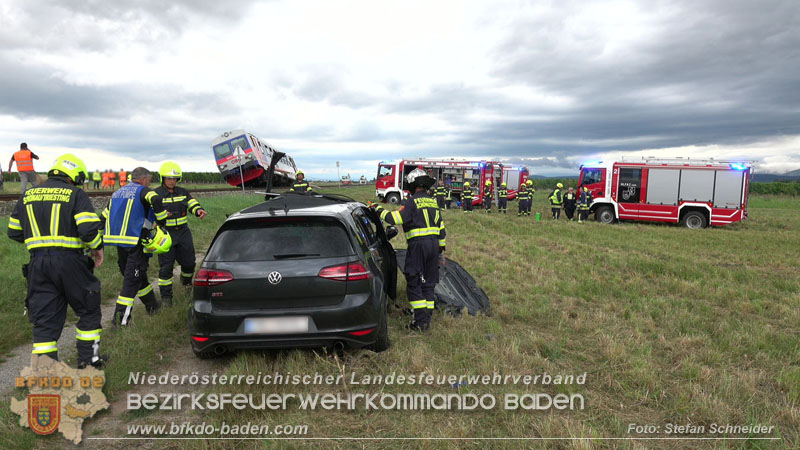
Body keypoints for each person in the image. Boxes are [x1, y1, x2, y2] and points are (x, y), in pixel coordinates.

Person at [7, 154, 107, 368]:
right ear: (73, 176)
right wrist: (98, 248)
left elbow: (13, 232)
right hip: (71, 262)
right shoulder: (75, 194)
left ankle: (45, 369)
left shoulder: (27, 195)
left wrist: (40, 239)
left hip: (38, 265)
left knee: (45, 319)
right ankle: (89, 362)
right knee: (88, 309)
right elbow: (88, 230)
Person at [372, 168, 445, 331]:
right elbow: (442, 229)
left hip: (418, 246)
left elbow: (394, 218)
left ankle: (420, 323)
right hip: (434, 246)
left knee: (414, 281)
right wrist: (441, 251)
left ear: (413, 185)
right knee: (429, 283)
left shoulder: (412, 203)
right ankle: (427, 316)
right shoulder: (433, 202)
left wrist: (377, 209)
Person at [101, 167, 169, 327]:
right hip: (136, 242)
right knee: (131, 282)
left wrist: (96, 235)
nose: (150, 183)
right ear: (144, 179)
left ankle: (153, 307)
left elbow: (104, 215)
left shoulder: (117, 193)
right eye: (150, 180)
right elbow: (156, 199)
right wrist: (161, 222)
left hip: (120, 242)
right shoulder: (143, 191)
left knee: (138, 277)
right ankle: (119, 322)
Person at [155, 161, 207, 306]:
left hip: (183, 232)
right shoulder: (156, 194)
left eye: (174, 179)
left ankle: (186, 283)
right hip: (165, 235)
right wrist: (160, 215)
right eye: (169, 178)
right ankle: (166, 298)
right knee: (166, 267)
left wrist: (198, 211)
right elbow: (150, 213)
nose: (172, 181)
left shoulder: (183, 192)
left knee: (189, 263)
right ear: (162, 178)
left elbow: (192, 203)